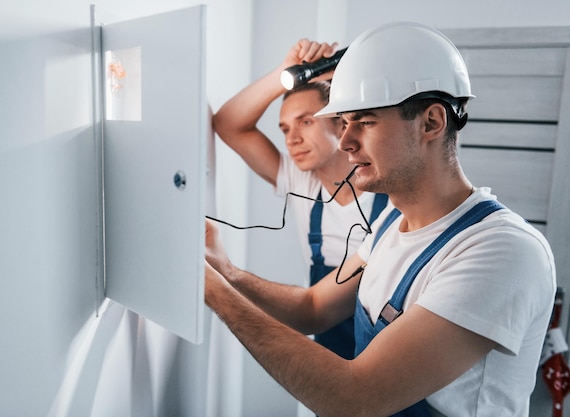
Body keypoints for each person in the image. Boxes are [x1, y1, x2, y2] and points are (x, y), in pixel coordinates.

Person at [204, 21, 556, 417]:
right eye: (344, 121)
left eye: (365, 122)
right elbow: (313, 308)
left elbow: (356, 398)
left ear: (431, 123)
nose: (345, 141)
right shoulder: (393, 223)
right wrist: (225, 273)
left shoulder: (501, 251)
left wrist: (214, 293)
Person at [212, 39, 387, 360]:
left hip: (386, 349)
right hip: (329, 344)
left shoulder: (391, 188)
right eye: (284, 129)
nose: (292, 139)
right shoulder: (298, 179)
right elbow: (227, 124)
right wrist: (284, 72)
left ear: (341, 122)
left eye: (306, 122)